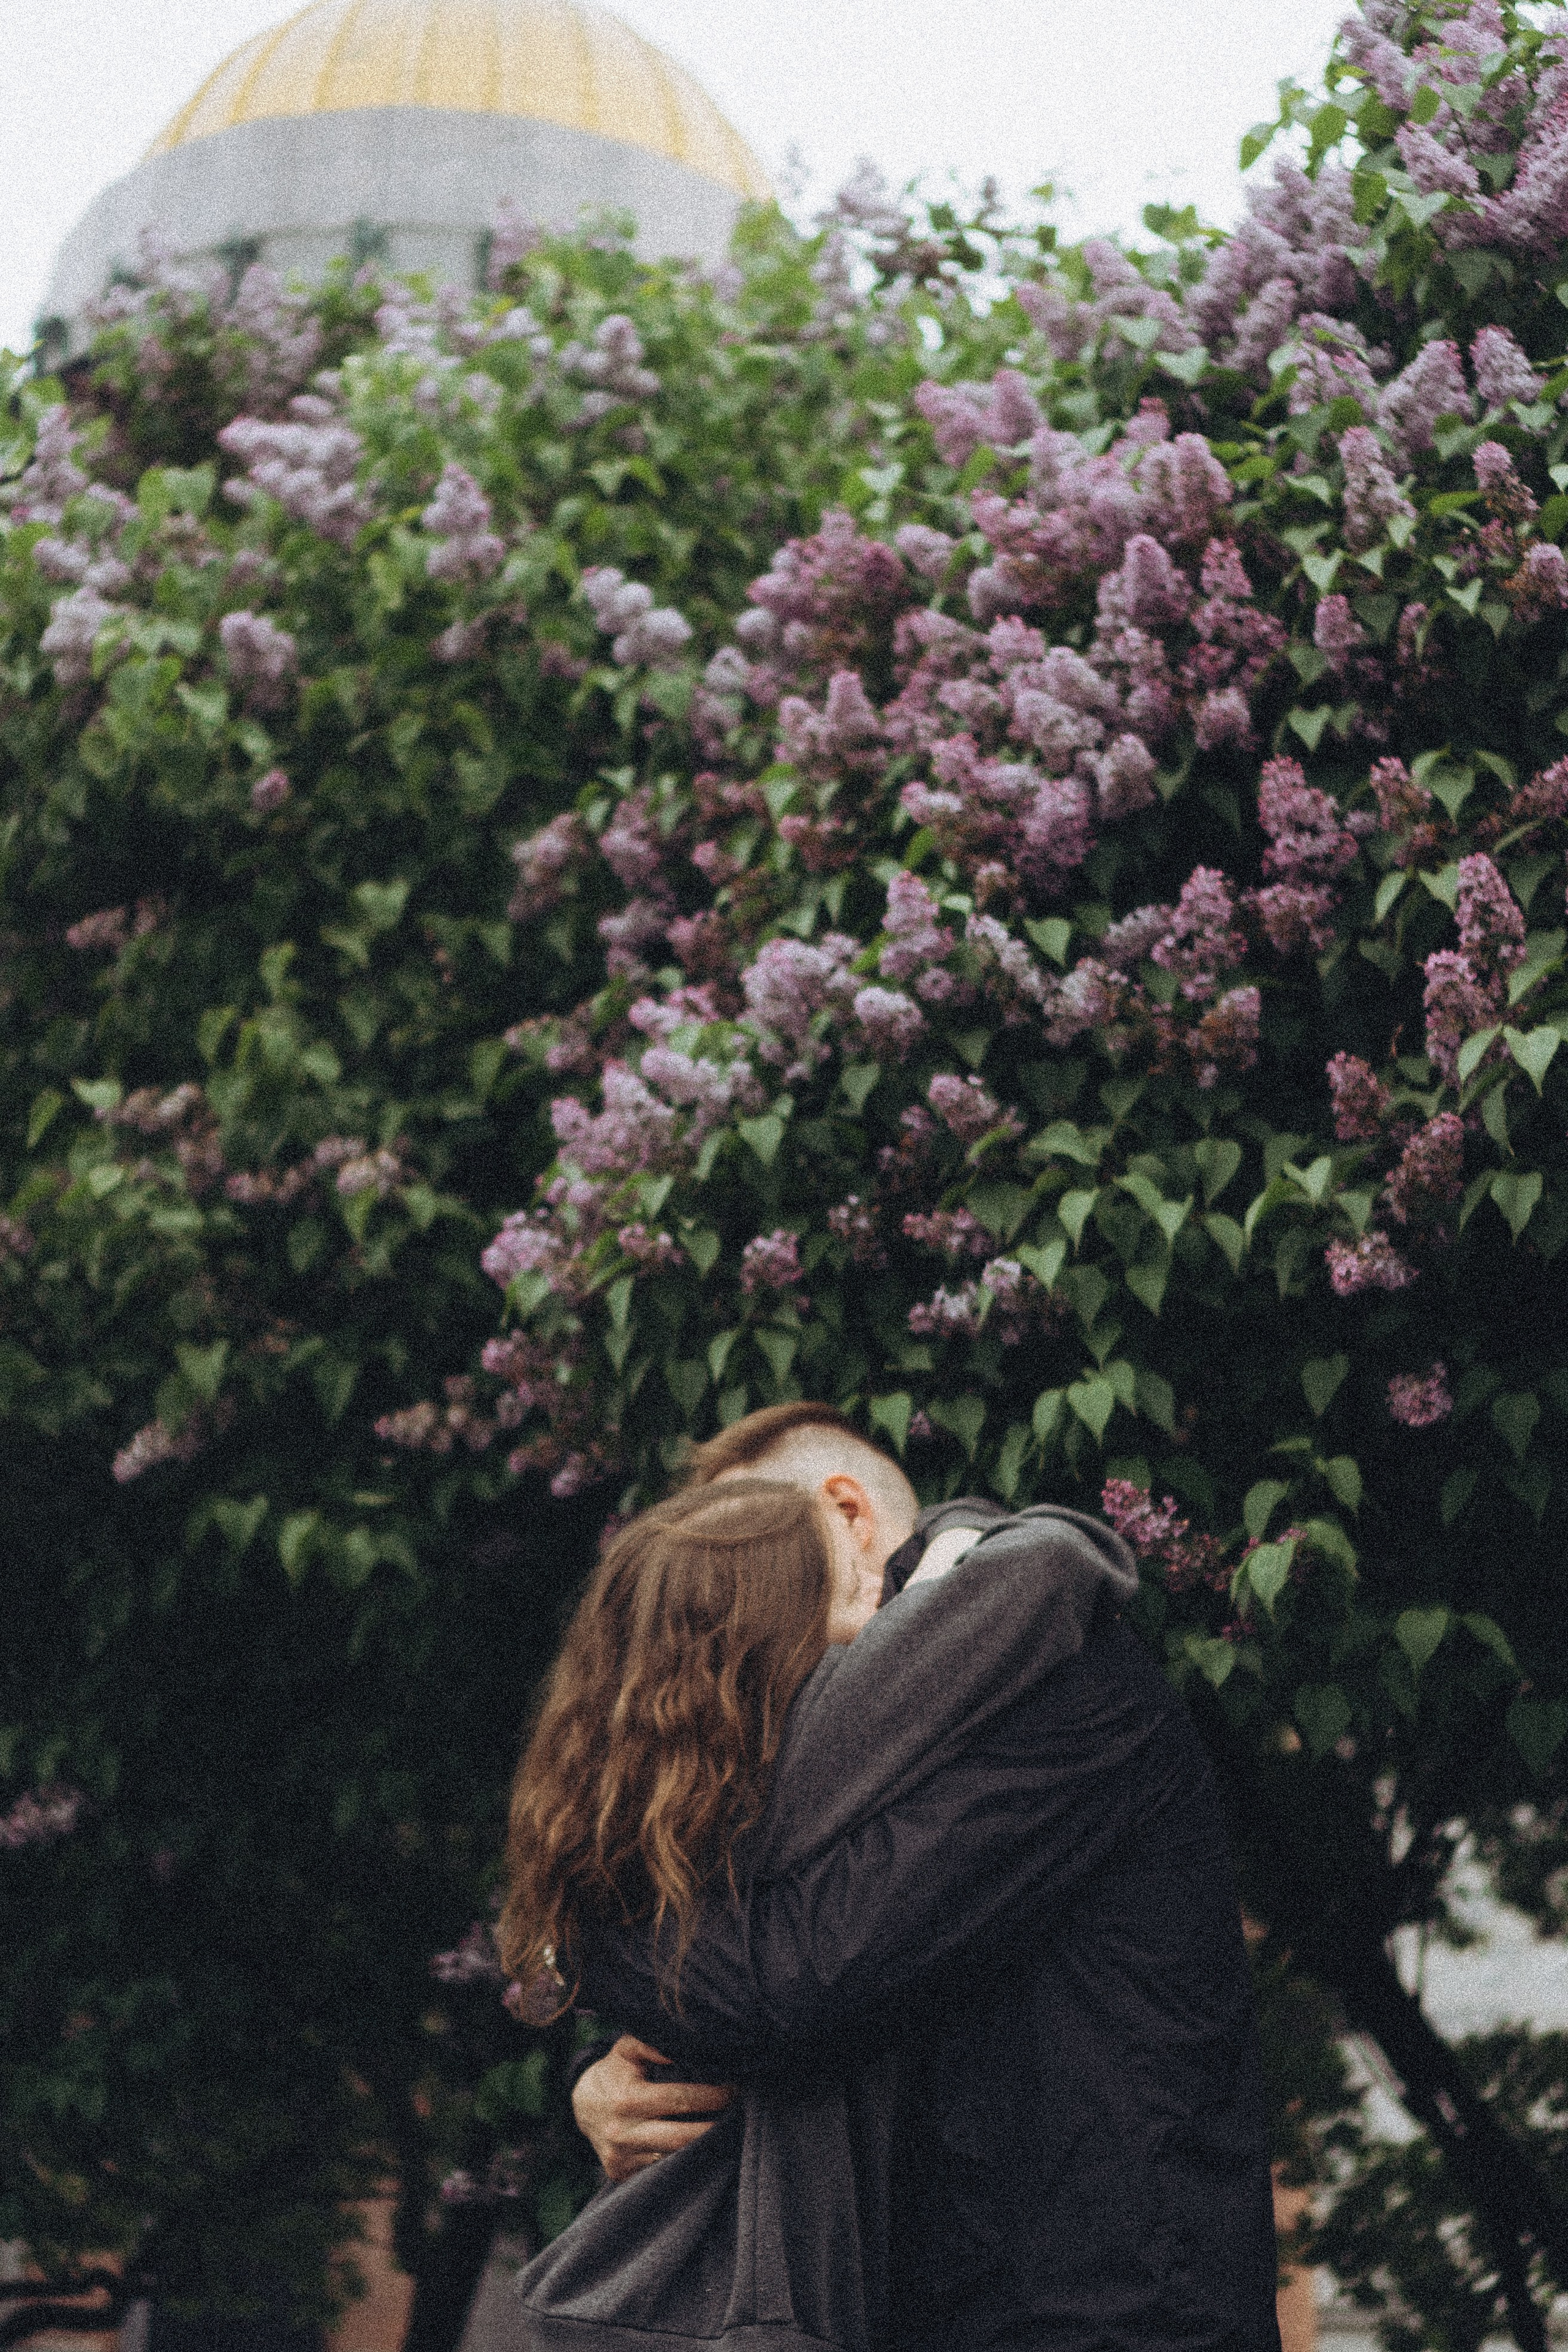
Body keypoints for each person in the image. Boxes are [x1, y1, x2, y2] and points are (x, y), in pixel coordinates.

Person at [504, 1404, 1281, 2352]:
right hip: (951, 2300)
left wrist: (575, 1922)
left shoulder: (1044, 1670)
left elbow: (785, 1973)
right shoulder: (874, 1723)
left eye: (745, 1570)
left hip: (1102, 2309)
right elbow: (730, 1906)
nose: (726, 1629)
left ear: (845, 1514)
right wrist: (605, 2075)